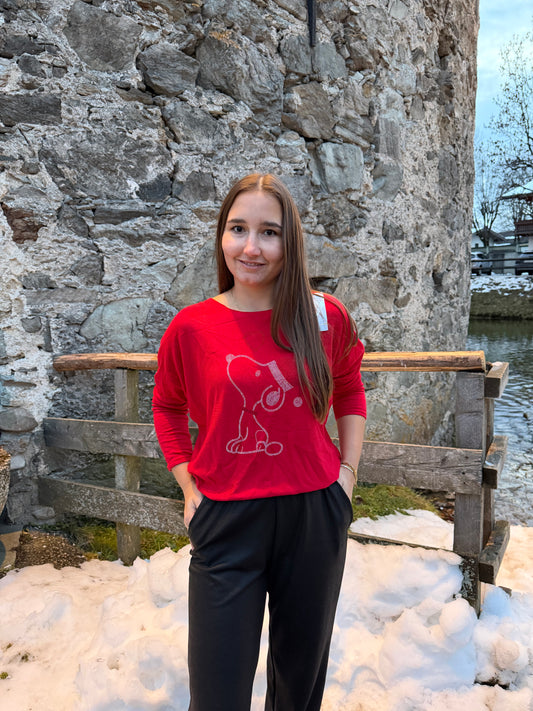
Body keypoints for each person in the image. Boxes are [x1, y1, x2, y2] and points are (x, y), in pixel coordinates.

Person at [152, 173, 366, 711]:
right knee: (216, 692)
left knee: (299, 687)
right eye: (238, 229)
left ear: (289, 242)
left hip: (314, 513)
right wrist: (187, 486)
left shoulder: (324, 316)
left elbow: (349, 388)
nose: (251, 247)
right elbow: (167, 407)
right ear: (221, 236)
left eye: (269, 232)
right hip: (226, 518)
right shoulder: (191, 327)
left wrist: (348, 474)